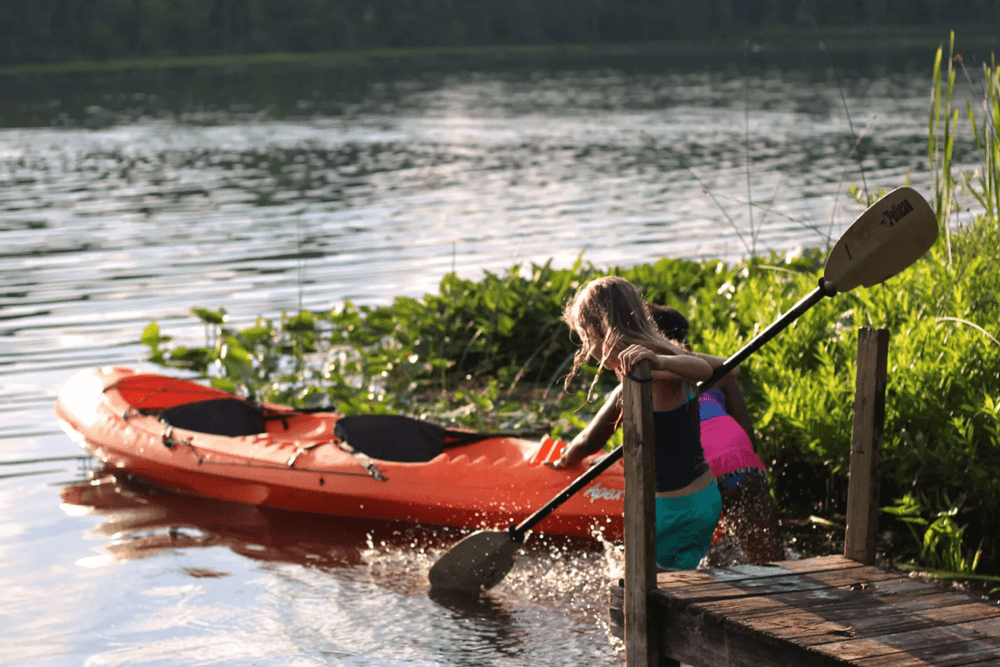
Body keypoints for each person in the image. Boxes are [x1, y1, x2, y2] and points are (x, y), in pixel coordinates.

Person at [550, 300, 785, 564]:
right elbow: (748, 435)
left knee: (665, 563)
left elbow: (588, 442)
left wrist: (565, 459)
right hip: (740, 462)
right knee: (769, 561)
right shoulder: (710, 372)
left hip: (693, 475)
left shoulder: (637, 380)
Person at [553, 275, 722, 570]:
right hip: (704, 498)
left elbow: (703, 370)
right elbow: (722, 368)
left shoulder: (651, 367)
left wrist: (565, 459)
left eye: (584, 338)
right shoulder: (665, 357)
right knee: (680, 584)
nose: (585, 349)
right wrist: (666, 358)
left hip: (670, 511)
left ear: (598, 330)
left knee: (643, 597)